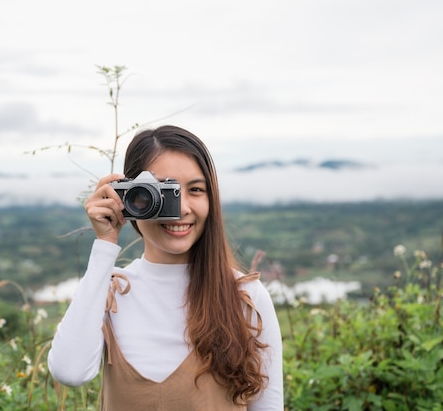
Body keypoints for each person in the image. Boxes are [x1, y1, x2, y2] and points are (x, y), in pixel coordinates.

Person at [48, 125, 283, 410]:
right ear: (131, 198)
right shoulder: (111, 293)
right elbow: (69, 371)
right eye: (161, 192)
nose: (181, 207)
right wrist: (105, 244)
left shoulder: (244, 295)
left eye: (196, 190)